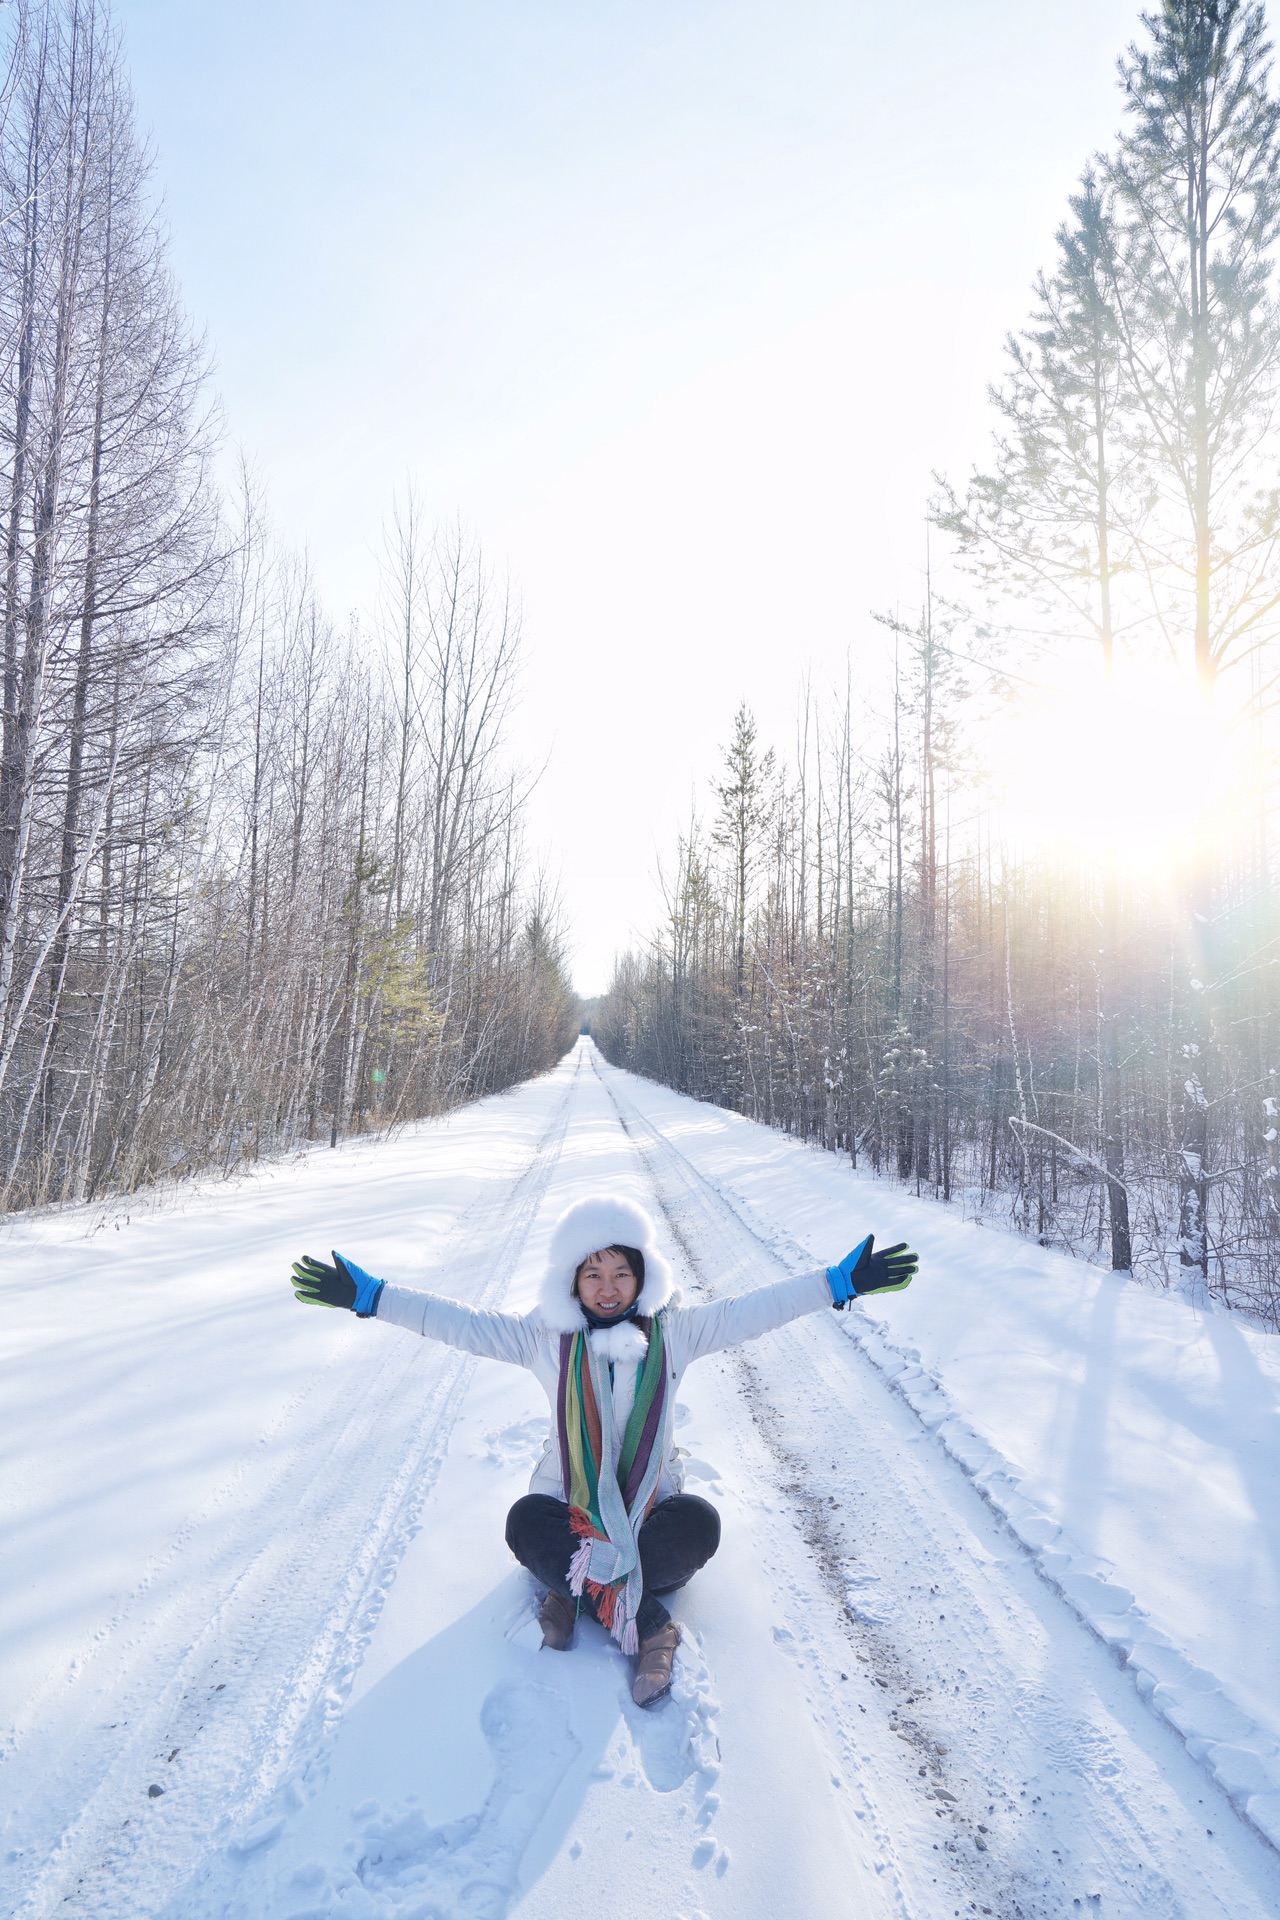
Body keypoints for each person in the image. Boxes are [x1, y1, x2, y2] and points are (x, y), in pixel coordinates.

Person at [290, 1194, 918, 1708]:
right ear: (574, 1280)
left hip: (651, 1510)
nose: (608, 1287)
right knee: (524, 1522)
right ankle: (648, 1623)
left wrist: (837, 1282)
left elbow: (757, 1309)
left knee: (699, 1525)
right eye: (593, 1274)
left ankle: (572, 1590)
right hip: (569, 1507)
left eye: (621, 1272)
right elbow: (456, 1321)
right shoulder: (544, 1339)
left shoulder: (679, 1333)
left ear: (642, 1277)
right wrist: (374, 1298)